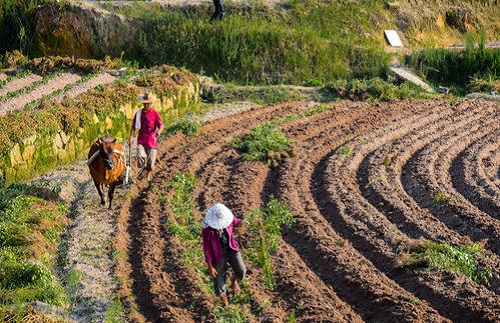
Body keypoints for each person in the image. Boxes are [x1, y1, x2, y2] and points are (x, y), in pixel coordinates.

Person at [202, 203, 247, 305]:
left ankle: (233, 280)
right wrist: (210, 265)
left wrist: (248, 223)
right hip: (217, 254)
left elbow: (237, 222)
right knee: (219, 279)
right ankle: (225, 303)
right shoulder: (207, 230)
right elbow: (207, 248)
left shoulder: (229, 220)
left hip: (231, 249)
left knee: (241, 270)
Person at [128, 90, 164, 182]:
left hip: (152, 141)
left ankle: (148, 174)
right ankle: (142, 168)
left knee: (151, 162)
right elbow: (133, 127)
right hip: (141, 140)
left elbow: (161, 125)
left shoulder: (155, 114)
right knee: (140, 155)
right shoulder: (138, 114)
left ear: (151, 103)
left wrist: (159, 131)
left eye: (148, 104)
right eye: (144, 104)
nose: (146, 105)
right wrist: (131, 138)